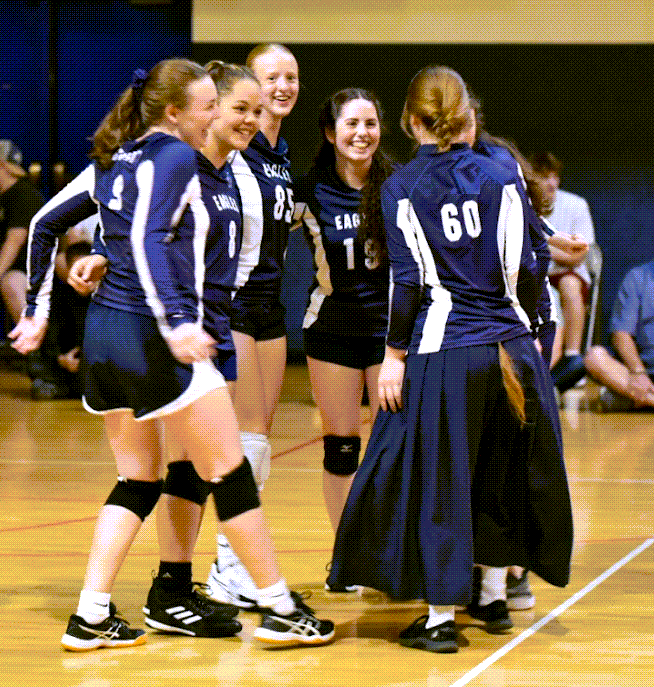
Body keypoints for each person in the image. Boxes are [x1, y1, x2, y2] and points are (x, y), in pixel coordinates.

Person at [11, 59, 334, 651]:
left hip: (112, 331)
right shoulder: (177, 160)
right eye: (221, 107)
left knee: (139, 478)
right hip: (162, 335)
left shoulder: (126, 158)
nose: (234, 118)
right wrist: (176, 323)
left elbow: (75, 224)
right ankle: (280, 607)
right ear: (178, 112)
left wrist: (41, 307)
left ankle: (92, 613)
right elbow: (146, 236)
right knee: (231, 473)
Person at [327, 66, 573, 653]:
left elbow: (409, 282)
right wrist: (538, 331)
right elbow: (530, 263)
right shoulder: (503, 174)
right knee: (502, 471)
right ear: (465, 115)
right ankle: (492, 595)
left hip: (446, 351)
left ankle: (439, 619)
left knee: (443, 480)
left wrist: (393, 355)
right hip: (512, 349)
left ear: (410, 121)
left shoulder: (402, 185)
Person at [201, 44, 302, 609]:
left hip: (272, 304)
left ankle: (233, 563)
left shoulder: (279, 153)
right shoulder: (233, 148)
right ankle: (227, 566)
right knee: (236, 443)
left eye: (291, 77)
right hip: (235, 302)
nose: (282, 87)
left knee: (260, 441)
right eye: (271, 77)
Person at [292, 88, 395, 575]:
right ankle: (347, 555)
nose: (362, 133)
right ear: (331, 134)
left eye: (370, 123)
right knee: (341, 448)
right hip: (332, 331)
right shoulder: (309, 190)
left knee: (393, 447)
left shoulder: (399, 184)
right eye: (351, 124)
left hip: (390, 336)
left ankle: (390, 551)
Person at [531, 151, 596, 389]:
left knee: (569, 284)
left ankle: (572, 357)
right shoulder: (525, 205)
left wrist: (543, 249)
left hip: (565, 274)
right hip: (534, 276)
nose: (551, 183)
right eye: (544, 176)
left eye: (555, 176)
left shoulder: (575, 204)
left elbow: (579, 255)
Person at [584, 259, 654, 410]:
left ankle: (636, 399)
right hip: (644, 374)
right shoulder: (637, 277)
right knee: (595, 357)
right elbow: (621, 335)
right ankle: (644, 398)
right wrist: (638, 372)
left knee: (611, 400)